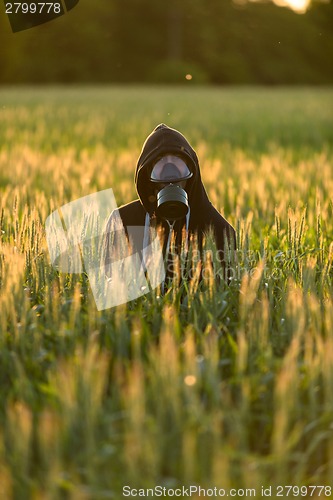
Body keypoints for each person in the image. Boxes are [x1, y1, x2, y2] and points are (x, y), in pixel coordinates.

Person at [104, 123, 236, 292]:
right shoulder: (122, 222)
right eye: (160, 166)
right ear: (146, 176)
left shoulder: (220, 230)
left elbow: (223, 291)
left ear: (192, 174)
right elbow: (108, 288)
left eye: (178, 164)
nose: (170, 173)